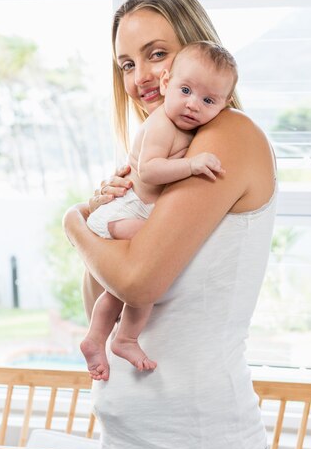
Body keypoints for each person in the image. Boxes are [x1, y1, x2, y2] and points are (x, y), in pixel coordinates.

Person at [64, 0, 277, 449]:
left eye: (156, 54)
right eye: (127, 64)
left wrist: (75, 225)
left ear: (196, 47)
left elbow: (140, 282)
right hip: (134, 443)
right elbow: (103, 309)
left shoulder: (228, 135)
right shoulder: (161, 161)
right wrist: (108, 211)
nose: (141, 77)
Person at [81, 41, 237, 380]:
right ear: (168, 84)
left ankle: (97, 338)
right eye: (185, 90)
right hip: (126, 212)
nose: (193, 104)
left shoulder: (201, 129)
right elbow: (150, 170)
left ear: (223, 105)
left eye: (208, 100)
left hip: (131, 212)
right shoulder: (162, 123)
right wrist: (192, 165)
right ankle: (125, 337)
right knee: (152, 267)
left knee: (120, 287)